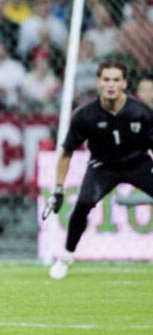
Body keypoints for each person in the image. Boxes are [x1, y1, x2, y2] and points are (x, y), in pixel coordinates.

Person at [43, 60, 153, 280]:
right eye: (106, 80)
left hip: (138, 163)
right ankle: (66, 257)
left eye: (115, 80)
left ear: (124, 84)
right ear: (99, 83)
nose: (110, 85)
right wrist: (58, 189)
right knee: (82, 205)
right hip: (103, 166)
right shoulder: (85, 114)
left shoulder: (140, 112)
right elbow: (66, 151)